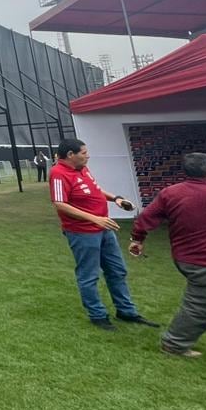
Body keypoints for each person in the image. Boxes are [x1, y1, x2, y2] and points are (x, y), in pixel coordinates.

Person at [129, 152, 206, 359]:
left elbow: (146, 217)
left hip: (186, 259)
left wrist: (137, 239)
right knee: (204, 309)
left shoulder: (170, 193)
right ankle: (174, 343)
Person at [49, 138, 157, 332]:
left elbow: (95, 191)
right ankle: (97, 315)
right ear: (71, 155)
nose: (87, 155)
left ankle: (126, 311)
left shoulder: (82, 169)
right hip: (83, 233)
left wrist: (116, 198)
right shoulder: (58, 173)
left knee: (117, 270)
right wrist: (94, 218)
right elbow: (59, 203)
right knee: (89, 275)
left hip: (103, 229)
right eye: (84, 152)